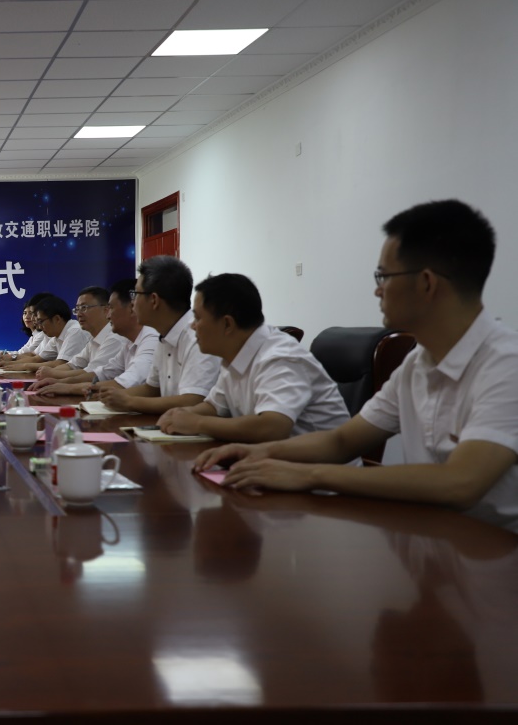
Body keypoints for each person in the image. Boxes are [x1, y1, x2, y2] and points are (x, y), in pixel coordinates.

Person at [196, 200, 518, 529]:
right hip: (432, 539)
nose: (378, 290)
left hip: (494, 550)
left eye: (384, 276)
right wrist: (257, 453)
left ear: (426, 283)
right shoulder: (417, 364)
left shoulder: (506, 364)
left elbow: (460, 482)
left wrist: (308, 474)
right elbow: (341, 441)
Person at [156, 273, 350, 442]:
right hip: (273, 463)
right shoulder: (233, 355)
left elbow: (272, 427)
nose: (193, 326)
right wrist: (181, 415)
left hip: (323, 471)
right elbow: (214, 407)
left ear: (227, 324)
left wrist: (197, 423)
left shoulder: (280, 356)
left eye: (198, 318)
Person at [96, 256, 221, 413]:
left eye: (136, 294)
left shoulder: (196, 336)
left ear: (154, 300)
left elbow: (193, 400)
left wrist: (129, 401)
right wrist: (109, 395)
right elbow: (152, 389)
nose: (133, 303)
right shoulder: (164, 335)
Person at [35, 280, 159, 397]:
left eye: (111, 308)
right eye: (77, 309)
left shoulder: (147, 338)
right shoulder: (129, 341)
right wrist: (61, 383)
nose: (109, 315)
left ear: (132, 307)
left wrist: (68, 386)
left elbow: (128, 382)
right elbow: (101, 374)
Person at [34, 286, 127, 385]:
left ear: (106, 310)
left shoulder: (114, 338)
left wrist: (54, 374)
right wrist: (49, 372)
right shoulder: (94, 339)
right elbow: (73, 364)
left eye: (84, 308)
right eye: (77, 309)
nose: (79, 314)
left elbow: (92, 374)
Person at [0, 295, 85, 373]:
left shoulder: (75, 331)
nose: (39, 326)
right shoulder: (56, 336)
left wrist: (24, 366)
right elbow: (37, 358)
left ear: (57, 319)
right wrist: (9, 364)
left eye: (41, 321)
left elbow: (61, 363)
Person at [0, 292, 54, 365]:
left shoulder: (43, 335)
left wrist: (0, 354)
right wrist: (2, 356)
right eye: (25, 313)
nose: (28, 317)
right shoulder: (34, 336)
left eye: (32, 313)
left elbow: (28, 355)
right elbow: (28, 354)